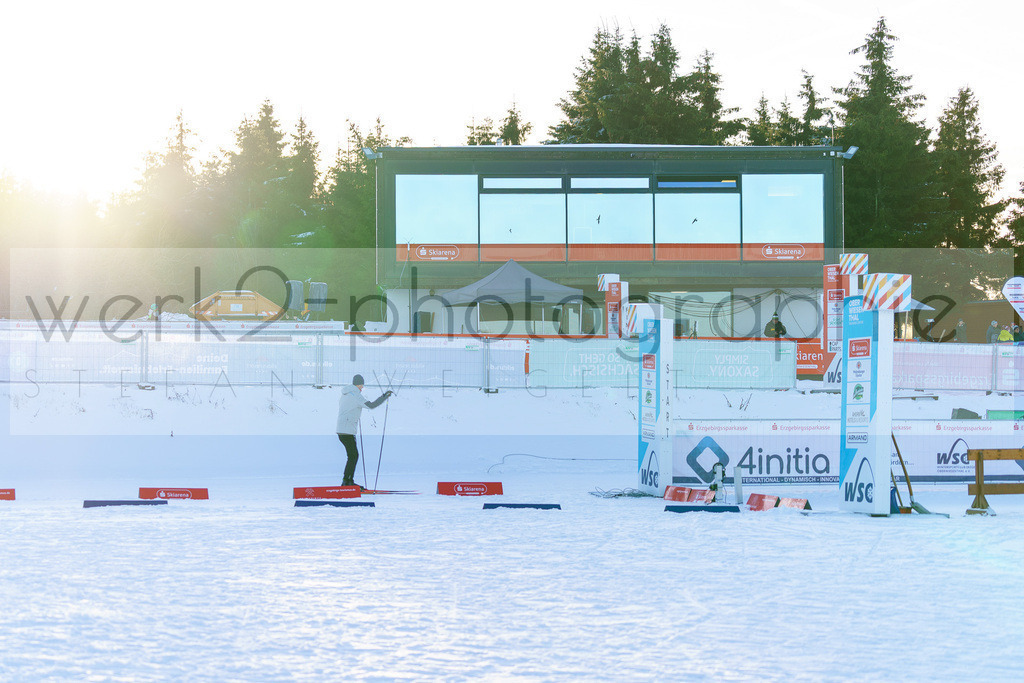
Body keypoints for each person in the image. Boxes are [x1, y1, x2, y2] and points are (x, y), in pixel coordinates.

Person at [336, 374, 393, 488]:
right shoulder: (356, 395)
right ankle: (347, 482)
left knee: (353, 455)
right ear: (358, 384)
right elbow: (371, 405)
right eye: (362, 385)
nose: (362, 387)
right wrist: (384, 397)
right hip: (347, 430)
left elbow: (349, 408)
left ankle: (348, 481)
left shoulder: (345, 393)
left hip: (342, 429)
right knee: (353, 456)